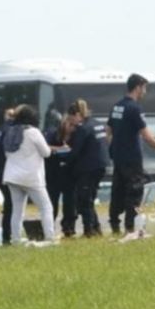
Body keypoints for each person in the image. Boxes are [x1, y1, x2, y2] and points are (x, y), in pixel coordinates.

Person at [107, 73, 155, 235]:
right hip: (132, 159)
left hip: (118, 158)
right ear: (138, 87)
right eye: (144, 88)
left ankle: (114, 226)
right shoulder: (134, 108)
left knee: (117, 192)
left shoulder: (117, 106)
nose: (145, 92)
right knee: (134, 193)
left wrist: (115, 147)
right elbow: (146, 136)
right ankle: (130, 228)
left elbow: (108, 131)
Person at [2, 105, 55, 244]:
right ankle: (50, 237)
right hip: (31, 176)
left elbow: (6, 152)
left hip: (12, 175)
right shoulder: (33, 132)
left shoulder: (10, 131)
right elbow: (46, 153)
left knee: (17, 210)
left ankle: (16, 239)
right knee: (46, 207)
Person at [66, 99, 108, 237]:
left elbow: (75, 151)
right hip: (100, 166)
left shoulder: (83, 128)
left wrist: (65, 161)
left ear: (77, 114)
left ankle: (89, 230)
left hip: (88, 168)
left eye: (72, 118)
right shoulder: (97, 124)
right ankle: (96, 228)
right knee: (89, 199)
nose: (72, 121)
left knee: (84, 200)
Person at [44, 118, 76, 237]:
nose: (72, 128)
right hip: (53, 171)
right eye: (70, 125)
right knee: (52, 201)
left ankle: (69, 228)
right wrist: (60, 149)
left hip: (69, 172)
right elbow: (45, 146)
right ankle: (49, 227)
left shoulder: (76, 134)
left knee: (70, 202)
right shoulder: (52, 133)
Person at [0, 107, 16, 244]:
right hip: (6, 171)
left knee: (9, 203)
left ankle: (7, 235)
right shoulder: (11, 130)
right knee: (11, 204)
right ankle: (8, 235)